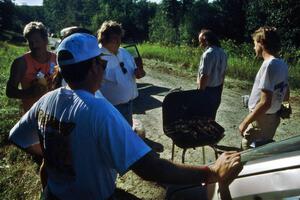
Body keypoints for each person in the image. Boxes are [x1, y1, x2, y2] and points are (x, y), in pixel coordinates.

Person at [9, 33, 242, 200]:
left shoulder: (48, 99)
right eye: (100, 63)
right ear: (94, 68)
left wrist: (53, 155)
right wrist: (211, 172)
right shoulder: (99, 111)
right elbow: (152, 168)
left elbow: (16, 136)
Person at [239, 26, 289, 150]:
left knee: (248, 151)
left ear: (261, 42)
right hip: (272, 118)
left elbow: (265, 103)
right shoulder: (281, 63)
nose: (254, 47)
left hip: (260, 120)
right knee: (262, 149)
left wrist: (245, 122)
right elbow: (286, 89)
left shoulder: (269, 65)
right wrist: (283, 105)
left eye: (255, 43)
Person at [97, 20, 145, 126]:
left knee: (126, 134)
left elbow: (138, 73)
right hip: (110, 109)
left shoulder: (125, 52)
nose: (119, 41)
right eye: (115, 38)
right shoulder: (97, 57)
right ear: (104, 38)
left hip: (128, 105)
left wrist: (140, 73)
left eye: (119, 37)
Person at [6, 21, 57, 113]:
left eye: (37, 41)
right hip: (32, 116)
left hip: (54, 114)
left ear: (45, 40)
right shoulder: (21, 63)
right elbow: (9, 91)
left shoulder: (56, 59)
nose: (34, 45)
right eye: (30, 42)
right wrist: (29, 92)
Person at [197, 29, 227, 120]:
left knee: (202, 117)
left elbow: (205, 76)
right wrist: (220, 90)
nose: (200, 44)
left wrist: (199, 93)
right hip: (217, 89)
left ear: (205, 39)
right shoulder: (223, 52)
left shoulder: (208, 54)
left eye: (200, 41)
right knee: (211, 117)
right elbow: (223, 74)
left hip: (207, 90)